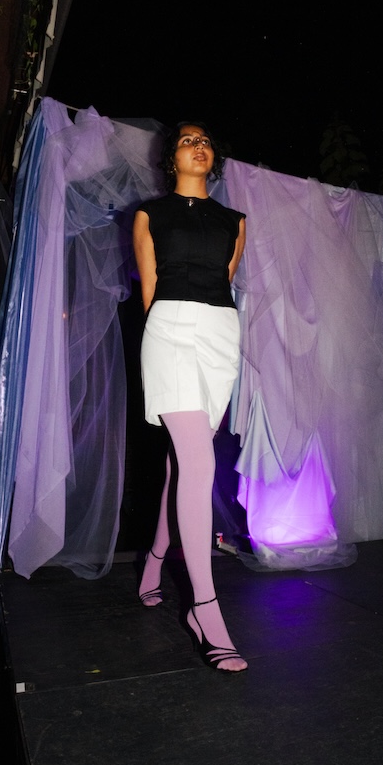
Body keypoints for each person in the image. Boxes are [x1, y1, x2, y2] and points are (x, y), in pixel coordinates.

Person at [132, 121, 247, 672]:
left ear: (212, 157)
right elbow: (149, 289)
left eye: (205, 140)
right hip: (170, 329)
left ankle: (156, 556)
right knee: (199, 464)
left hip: (220, 334)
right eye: (187, 140)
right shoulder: (149, 214)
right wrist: (161, 338)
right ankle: (204, 608)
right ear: (170, 157)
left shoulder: (235, 221)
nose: (199, 146)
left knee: (184, 464)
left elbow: (225, 280)